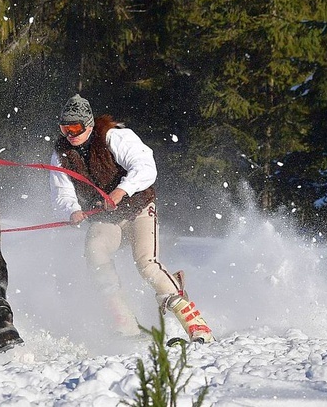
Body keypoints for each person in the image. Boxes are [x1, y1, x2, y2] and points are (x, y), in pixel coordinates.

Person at [49, 94, 214, 342]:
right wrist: (71, 210)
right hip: (105, 218)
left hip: (137, 209)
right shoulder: (61, 155)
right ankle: (124, 323)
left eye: (75, 128)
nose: (70, 134)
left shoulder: (115, 137)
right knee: (95, 253)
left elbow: (145, 166)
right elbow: (61, 193)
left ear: (90, 125)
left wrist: (120, 191)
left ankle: (196, 324)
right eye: (65, 129)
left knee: (146, 263)